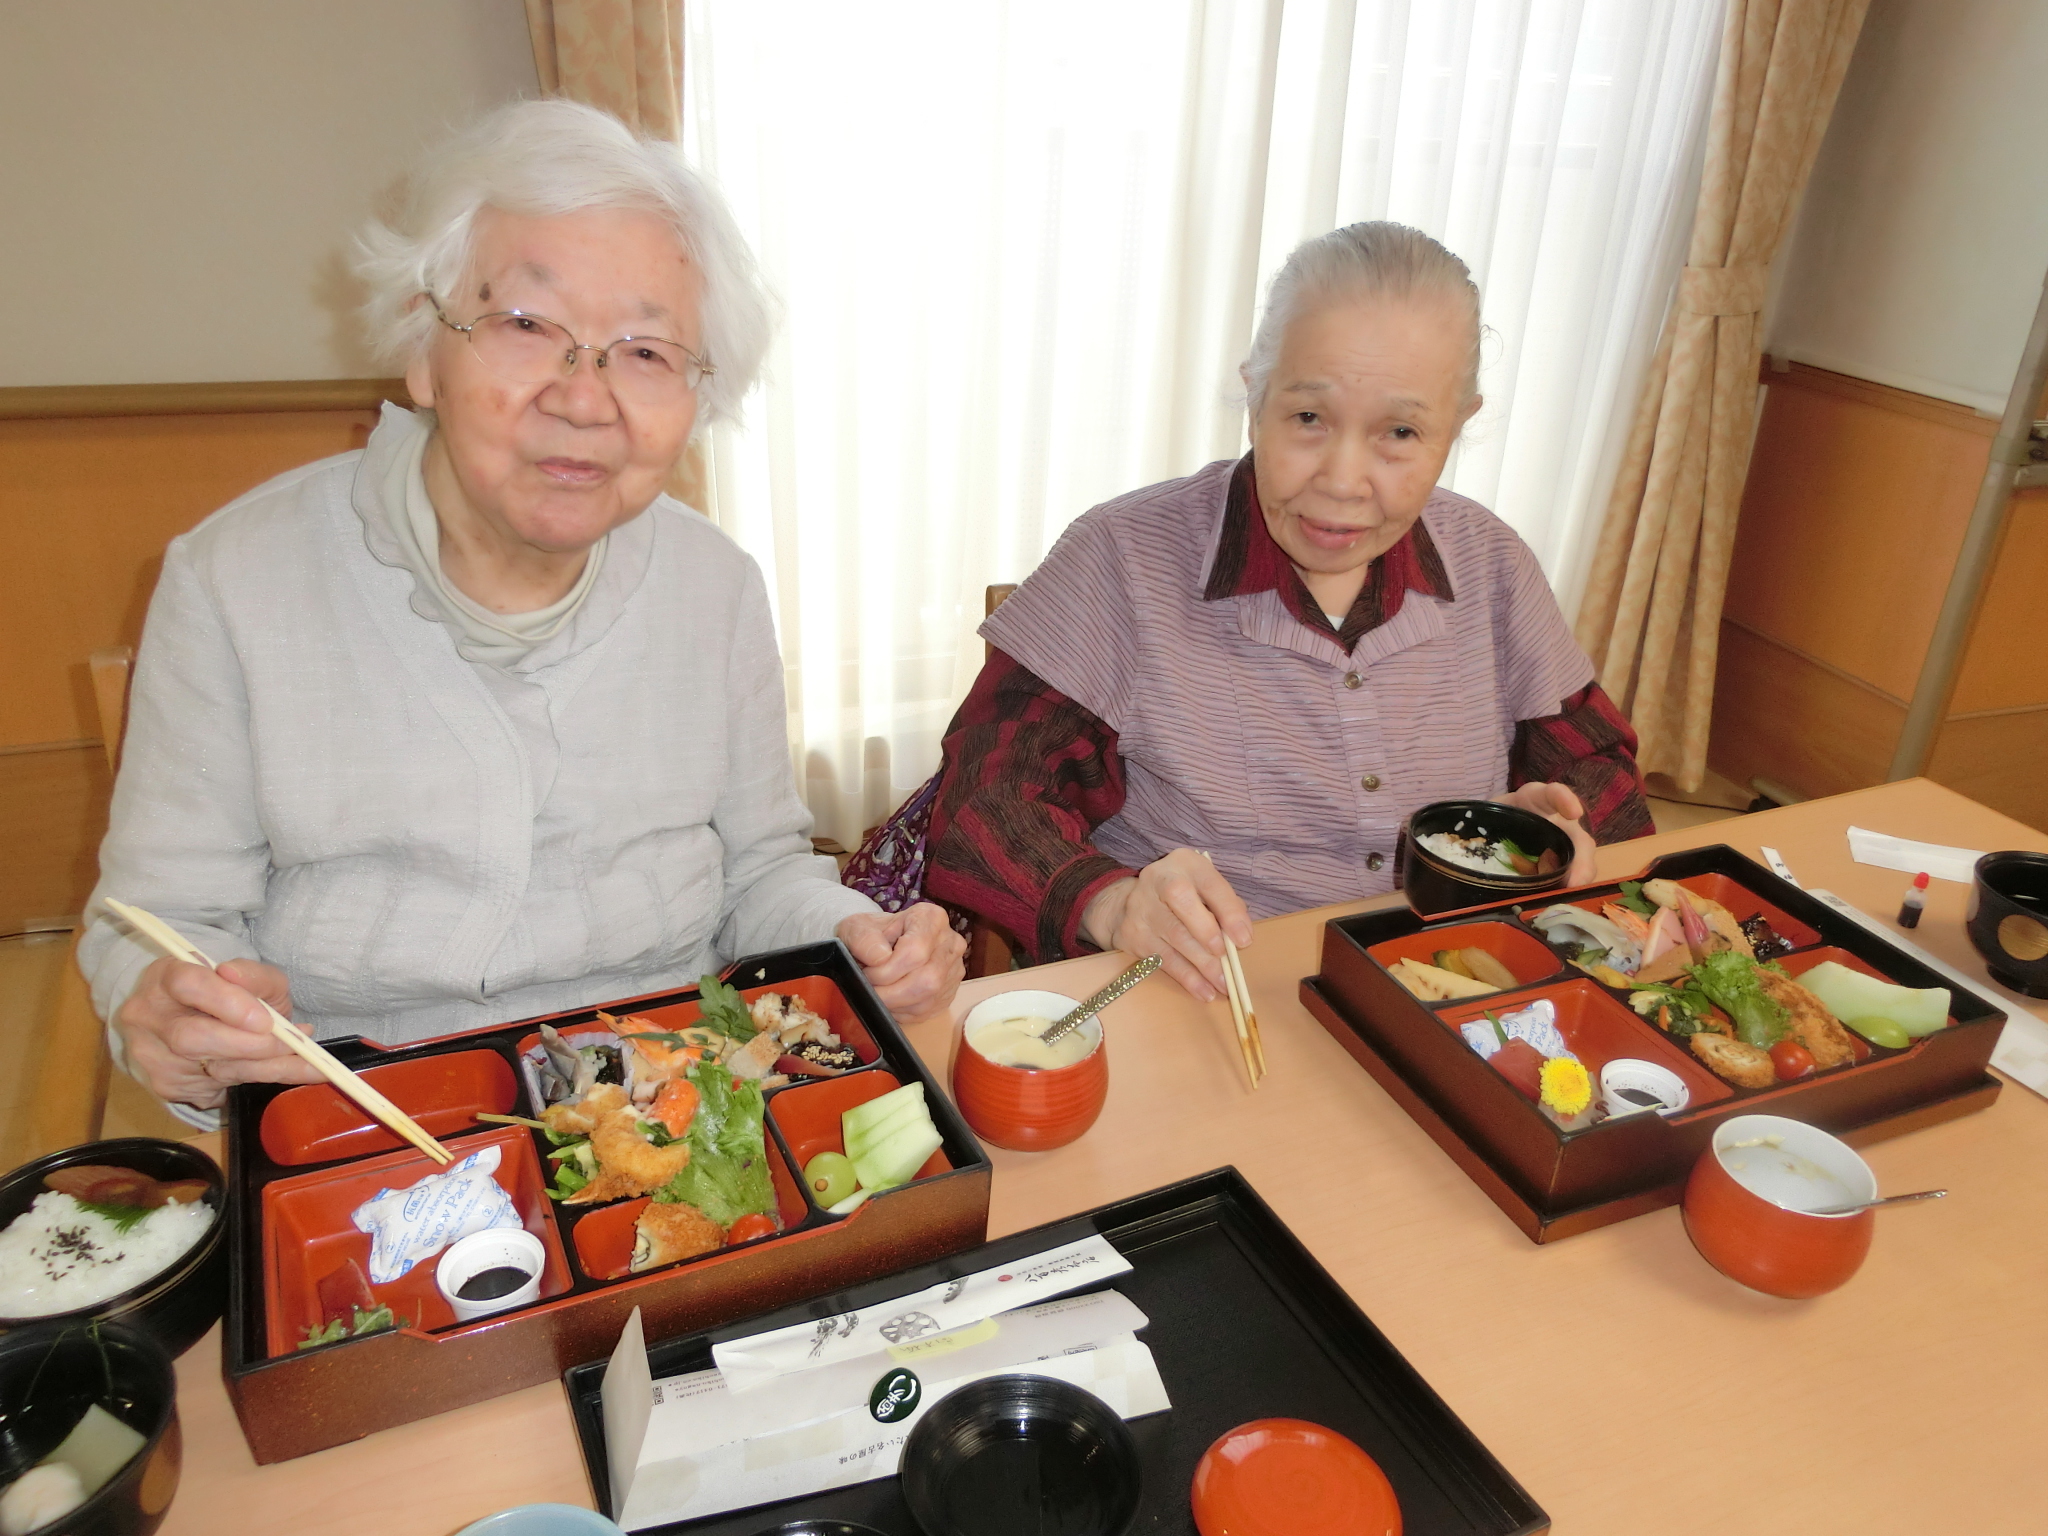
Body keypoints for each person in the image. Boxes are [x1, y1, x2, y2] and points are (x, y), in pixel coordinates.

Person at [79, 101, 963, 1119]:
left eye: (644, 350)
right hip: (370, 1116)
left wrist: (852, 932)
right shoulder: (234, 581)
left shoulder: (712, 586)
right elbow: (157, 924)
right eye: (527, 326)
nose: (584, 398)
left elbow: (757, 870)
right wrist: (172, 1017)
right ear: (422, 348)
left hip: (672, 1103)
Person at [921, 222, 1650, 1004]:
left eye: (1400, 433)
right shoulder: (1121, 557)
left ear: (1458, 424)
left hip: (1441, 987)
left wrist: (1563, 833)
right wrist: (1115, 902)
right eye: (1307, 418)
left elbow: (1600, 762)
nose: (1341, 481)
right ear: (1255, 393)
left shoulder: (1491, 562)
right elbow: (983, 804)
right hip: (1195, 993)